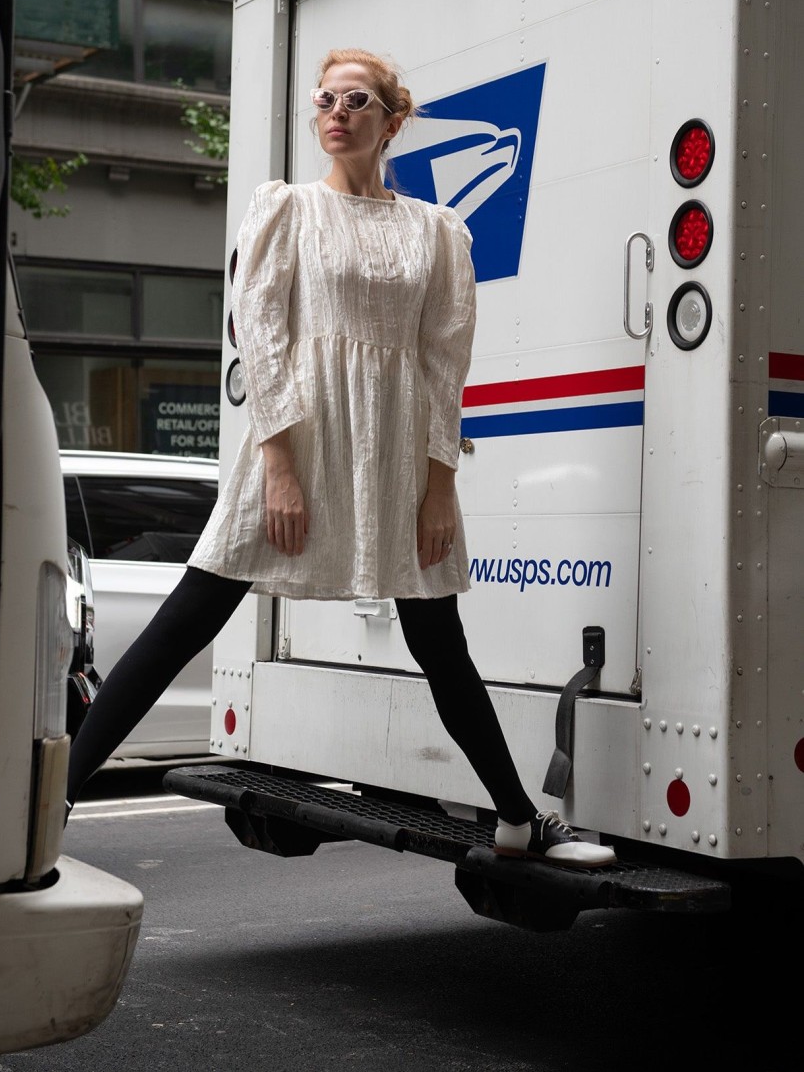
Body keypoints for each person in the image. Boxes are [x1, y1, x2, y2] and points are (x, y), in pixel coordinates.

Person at [66, 47, 615, 868]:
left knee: (440, 640)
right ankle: (56, 796)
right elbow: (265, 336)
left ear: (392, 120)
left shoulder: (438, 231)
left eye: (355, 99)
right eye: (324, 98)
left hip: (396, 451)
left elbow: (442, 367)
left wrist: (439, 489)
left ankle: (517, 820)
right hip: (298, 438)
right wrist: (280, 464)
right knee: (189, 616)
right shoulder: (285, 209)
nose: (334, 112)